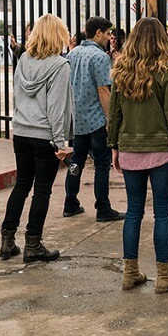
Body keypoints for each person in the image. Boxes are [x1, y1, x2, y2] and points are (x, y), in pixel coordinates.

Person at [108, 17, 168, 293]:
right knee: (162, 213)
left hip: (131, 147)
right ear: (160, 40)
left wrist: (115, 146)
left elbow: (115, 114)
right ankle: (164, 276)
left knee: (133, 212)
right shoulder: (167, 70)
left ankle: (129, 272)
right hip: (161, 151)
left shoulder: (121, 70)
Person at [0, 14, 74, 263]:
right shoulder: (60, 66)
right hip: (45, 136)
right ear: (58, 35)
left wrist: (19, 122)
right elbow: (57, 108)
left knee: (22, 184)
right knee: (42, 189)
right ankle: (33, 244)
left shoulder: (23, 60)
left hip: (21, 131)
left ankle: (7, 241)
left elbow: (17, 97)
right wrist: (61, 142)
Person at [62, 16, 124, 222]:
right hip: (97, 119)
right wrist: (110, 119)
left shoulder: (74, 53)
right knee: (102, 164)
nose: (109, 37)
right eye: (107, 33)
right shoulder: (100, 57)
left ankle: (70, 201)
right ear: (98, 32)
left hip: (78, 118)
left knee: (76, 161)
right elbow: (103, 89)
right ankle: (103, 207)